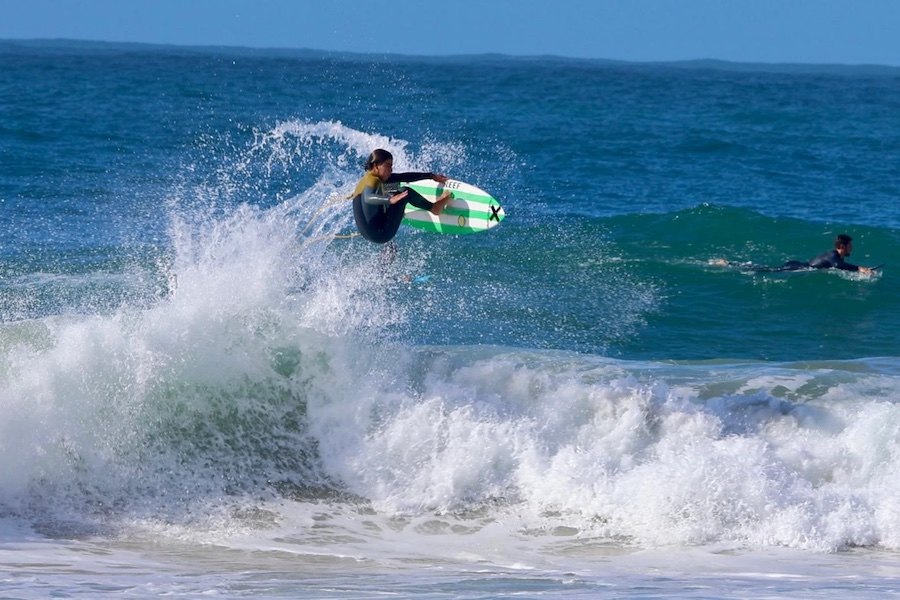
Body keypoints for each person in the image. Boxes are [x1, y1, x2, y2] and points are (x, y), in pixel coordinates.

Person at [350, 149, 453, 244]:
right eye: (388, 165)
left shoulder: (364, 181)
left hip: (369, 235)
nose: (391, 169)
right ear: (376, 166)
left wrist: (431, 176)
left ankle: (389, 246)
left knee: (393, 186)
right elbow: (368, 197)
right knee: (405, 192)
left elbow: (403, 177)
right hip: (382, 234)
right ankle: (434, 208)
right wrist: (390, 200)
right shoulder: (374, 180)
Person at [711, 234, 875, 275]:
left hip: (797, 264)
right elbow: (839, 266)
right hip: (796, 267)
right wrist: (860, 269)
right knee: (766, 271)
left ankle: (730, 263)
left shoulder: (834, 256)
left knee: (767, 268)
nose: (851, 249)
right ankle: (729, 264)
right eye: (850, 246)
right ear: (842, 246)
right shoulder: (834, 257)